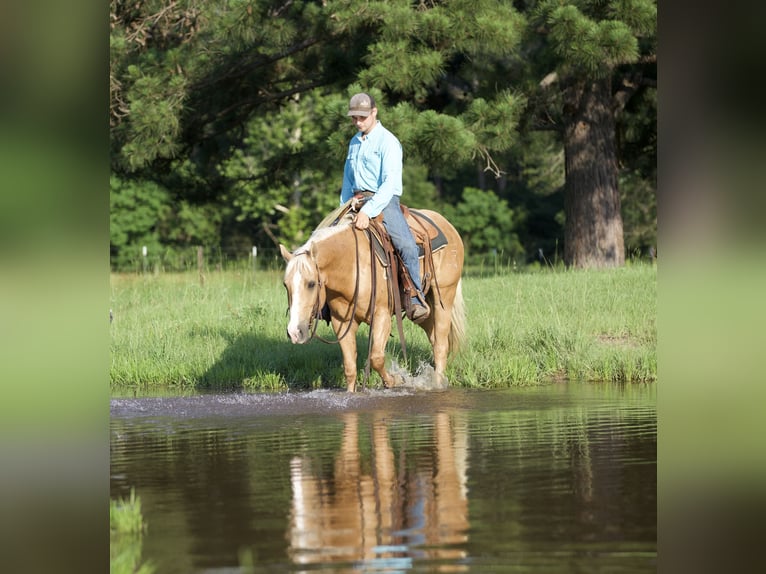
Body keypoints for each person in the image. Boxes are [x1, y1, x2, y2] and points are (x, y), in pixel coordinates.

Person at [340, 92, 429, 323]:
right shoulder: (354, 142)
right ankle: (327, 303)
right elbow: (348, 179)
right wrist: (344, 207)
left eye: (362, 117)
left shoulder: (388, 141)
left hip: (383, 201)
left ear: (374, 112)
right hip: (355, 201)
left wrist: (368, 212)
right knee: (323, 236)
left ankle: (415, 297)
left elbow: (389, 183)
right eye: (354, 118)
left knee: (407, 245)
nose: (358, 122)